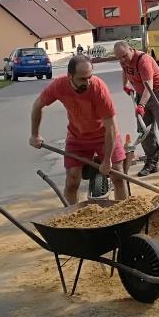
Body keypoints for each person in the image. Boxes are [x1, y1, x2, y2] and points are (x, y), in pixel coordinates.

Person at [29, 55, 128, 205]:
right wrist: (34, 135)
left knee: (118, 175)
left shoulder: (98, 89)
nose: (87, 82)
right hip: (77, 137)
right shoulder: (59, 86)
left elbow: (111, 128)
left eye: (90, 77)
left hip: (104, 136)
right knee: (72, 180)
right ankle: (72, 219)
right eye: (82, 79)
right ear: (70, 76)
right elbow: (37, 105)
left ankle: (125, 216)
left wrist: (107, 160)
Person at [113, 40, 159, 179]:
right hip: (140, 94)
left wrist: (141, 106)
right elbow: (125, 71)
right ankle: (152, 162)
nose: (122, 60)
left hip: (158, 92)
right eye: (119, 57)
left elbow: (149, 86)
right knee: (144, 131)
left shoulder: (143, 61)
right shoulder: (123, 61)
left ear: (131, 49)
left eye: (124, 56)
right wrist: (125, 85)